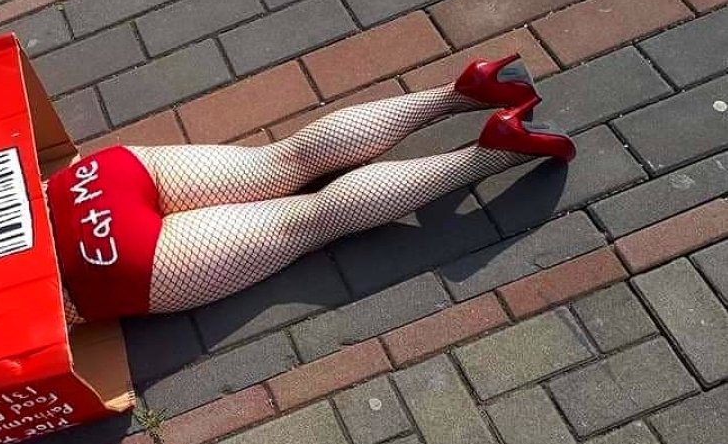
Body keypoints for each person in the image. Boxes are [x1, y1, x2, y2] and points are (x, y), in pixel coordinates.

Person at [45, 54, 575, 326]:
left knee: (313, 217)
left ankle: (494, 152)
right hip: (86, 183)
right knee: (284, 159)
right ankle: (469, 89)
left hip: (96, 264)